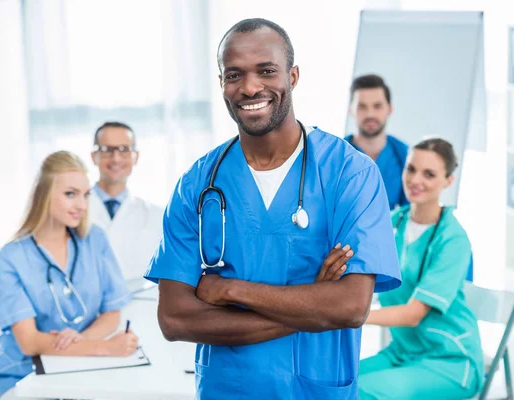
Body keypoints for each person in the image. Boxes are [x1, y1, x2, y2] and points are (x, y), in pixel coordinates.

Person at [144, 18, 401, 399]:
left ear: (293, 76)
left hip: (315, 389)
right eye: (234, 75)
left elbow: (349, 306)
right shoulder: (197, 184)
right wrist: (312, 303)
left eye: (266, 71)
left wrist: (230, 289)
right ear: (221, 84)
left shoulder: (350, 173)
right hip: (227, 389)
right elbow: (175, 319)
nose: (249, 87)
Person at [0, 151, 138, 400]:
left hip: (76, 367)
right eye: (70, 194)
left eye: (85, 195)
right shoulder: (9, 258)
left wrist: (79, 340)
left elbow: (112, 312)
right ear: (44, 194)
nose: (82, 205)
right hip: (19, 372)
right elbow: (29, 342)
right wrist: (104, 347)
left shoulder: (95, 239)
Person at [359, 138, 483, 399]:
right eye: (411, 169)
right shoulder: (391, 223)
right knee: (332, 383)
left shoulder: (453, 239)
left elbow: (413, 315)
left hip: (449, 361)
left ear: (448, 181)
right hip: (402, 353)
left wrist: (349, 316)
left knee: (361, 391)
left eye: (429, 174)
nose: (416, 180)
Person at [90, 122, 164, 280]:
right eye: (107, 150)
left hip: (141, 304)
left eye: (124, 150)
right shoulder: (71, 211)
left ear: (135, 157)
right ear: (94, 156)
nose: (116, 158)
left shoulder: (157, 215)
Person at [345, 74, 409, 210]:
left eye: (377, 106)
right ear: (351, 109)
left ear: (389, 109)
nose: (370, 114)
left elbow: (410, 212)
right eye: (362, 106)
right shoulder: (337, 155)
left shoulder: (404, 155)